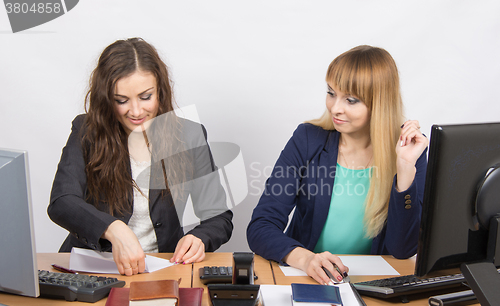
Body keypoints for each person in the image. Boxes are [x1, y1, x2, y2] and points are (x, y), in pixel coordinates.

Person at [48, 38, 233, 276]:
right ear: (107, 99)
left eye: (146, 97)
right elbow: (61, 202)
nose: (136, 111)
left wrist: (200, 237)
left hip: (162, 270)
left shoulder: (188, 134)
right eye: (121, 101)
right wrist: (113, 229)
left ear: (161, 91)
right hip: (95, 270)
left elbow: (218, 215)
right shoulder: (86, 131)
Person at [246, 45, 428, 285]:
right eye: (331, 93)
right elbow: (261, 225)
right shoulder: (307, 139)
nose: (335, 108)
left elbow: (403, 250)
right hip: (308, 278)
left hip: (373, 284)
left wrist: (405, 171)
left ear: (379, 104)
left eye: (351, 100)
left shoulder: (408, 151)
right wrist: (304, 258)